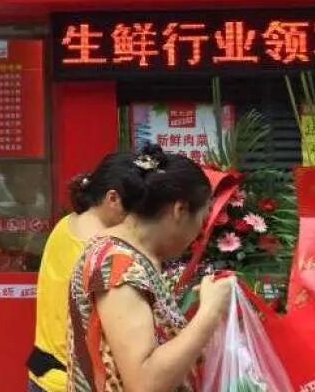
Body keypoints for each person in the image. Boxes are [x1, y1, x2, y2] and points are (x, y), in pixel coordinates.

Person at [67, 145, 234, 392]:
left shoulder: (125, 253)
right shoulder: (117, 266)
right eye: (202, 218)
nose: (199, 231)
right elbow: (145, 382)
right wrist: (210, 312)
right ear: (180, 210)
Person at [28, 152, 136, 392]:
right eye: (136, 208)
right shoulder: (102, 252)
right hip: (73, 383)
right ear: (112, 198)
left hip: (43, 374)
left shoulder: (66, 224)